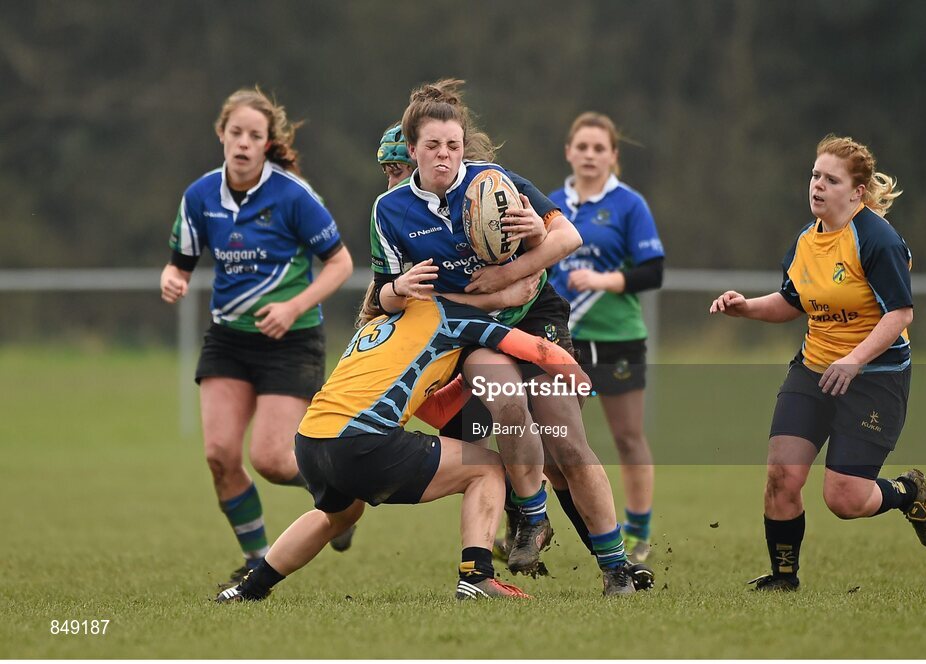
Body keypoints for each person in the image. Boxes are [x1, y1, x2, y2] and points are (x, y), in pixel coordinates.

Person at [370, 79, 652, 596]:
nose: (444, 155)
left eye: (452, 145)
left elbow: (567, 237)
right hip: (474, 331)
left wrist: (516, 262)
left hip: (534, 316)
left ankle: (616, 568)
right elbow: (384, 297)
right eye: (432, 146)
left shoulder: (495, 182)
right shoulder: (389, 213)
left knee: (566, 438)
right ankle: (531, 515)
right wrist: (404, 292)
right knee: (505, 404)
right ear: (413, 151)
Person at [215, 291, 593, 602]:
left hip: (311, 442)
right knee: (488, 468)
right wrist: (582, 385)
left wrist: (466, 380)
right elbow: (544, 352)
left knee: (340, 516)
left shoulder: (378, 326)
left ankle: (249, 589)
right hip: (363, 441)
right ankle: (477, 578)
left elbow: (438, 408)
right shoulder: (449, 315)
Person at [709, 134, 926, 591]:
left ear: (856, 192)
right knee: (781, 474)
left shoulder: (876, 239)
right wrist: (746, 306)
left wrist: (853, 360)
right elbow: (792, 302)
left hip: (875, 377)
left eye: (831, 180)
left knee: (845, 498)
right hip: (815, 369)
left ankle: (909, 491)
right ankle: (784, 577)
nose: (817, 185)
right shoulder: (805, 242)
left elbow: (901, 313)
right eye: (815, 175)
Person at [160, 87, 353, 584]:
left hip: (291, 340)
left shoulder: (292, 195)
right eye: (236, 133)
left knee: (269, 458)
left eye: (255, 135)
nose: (244, 143)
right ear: (221, 134)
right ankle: (255, 558)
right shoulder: (200, 196)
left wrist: (292, 306)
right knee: (219, 456)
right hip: (229, 340)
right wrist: (174, 278)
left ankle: (342, 496)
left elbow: (341, 263)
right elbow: (181, 262)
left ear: (269, 144)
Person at [547, 112, 665, 563]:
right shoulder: (553, 203)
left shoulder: (629, 205)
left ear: (613, 156)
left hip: (618, 340)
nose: (590, 155)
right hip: (562, 341)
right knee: (551, 437)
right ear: (568, 152)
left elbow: (653, 271)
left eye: (600, 148)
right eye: (583, 147)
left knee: (628, 437)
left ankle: (638, 536)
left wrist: (601, 280)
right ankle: (533, 528)